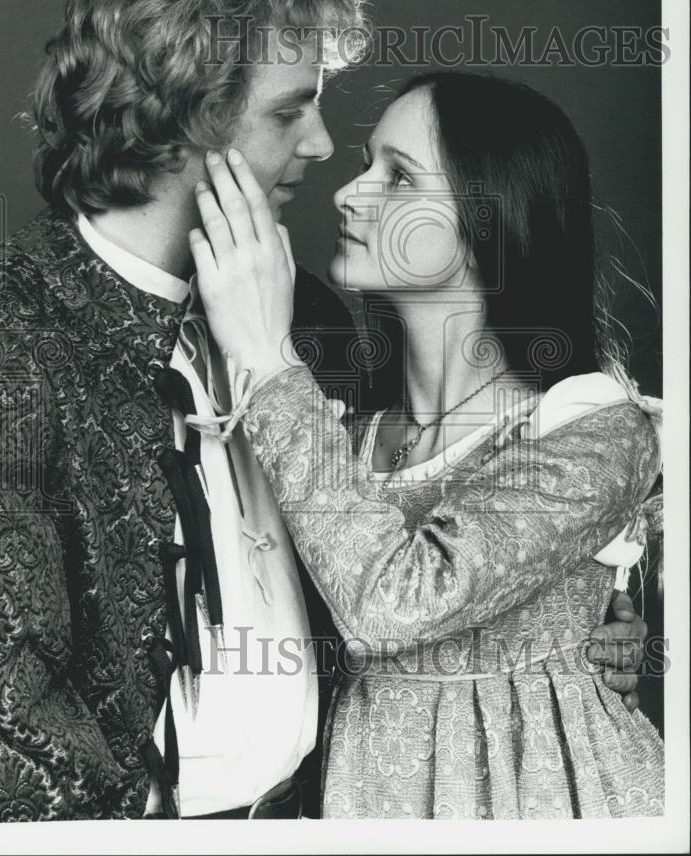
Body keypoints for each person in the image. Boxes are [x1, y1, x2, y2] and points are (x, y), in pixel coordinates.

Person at [0, 0, 646, 822]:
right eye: (292, 111)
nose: (323, 150)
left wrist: (574, 625)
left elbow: (399, 551)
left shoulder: (315, 329)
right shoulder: (0, 343)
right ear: (186, 115)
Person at [190, 70, 664, 819]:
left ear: (491, 217)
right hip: (364, 803)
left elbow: (392, 605)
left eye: (400, 176)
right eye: (365, 164)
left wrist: (264, 353)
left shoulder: (592, 428)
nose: (350, 194)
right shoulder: (337, 433)